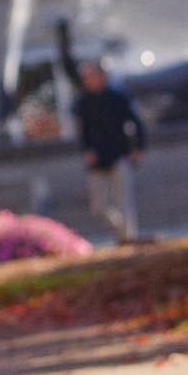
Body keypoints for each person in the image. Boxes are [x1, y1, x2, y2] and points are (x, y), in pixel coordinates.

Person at [66, 60, 148, 243]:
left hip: (119, 155)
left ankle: (129, 239)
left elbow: (136, 123)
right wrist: (86, 151)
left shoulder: (118, 97)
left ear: (102, 77)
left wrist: (138, 148)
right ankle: (123, 233)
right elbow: (82, 131)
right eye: (85, 77)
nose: (87, 80)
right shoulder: (83, 102)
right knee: (98, 207)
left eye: (91, 76)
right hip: (96, 160)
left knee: (124, 201)